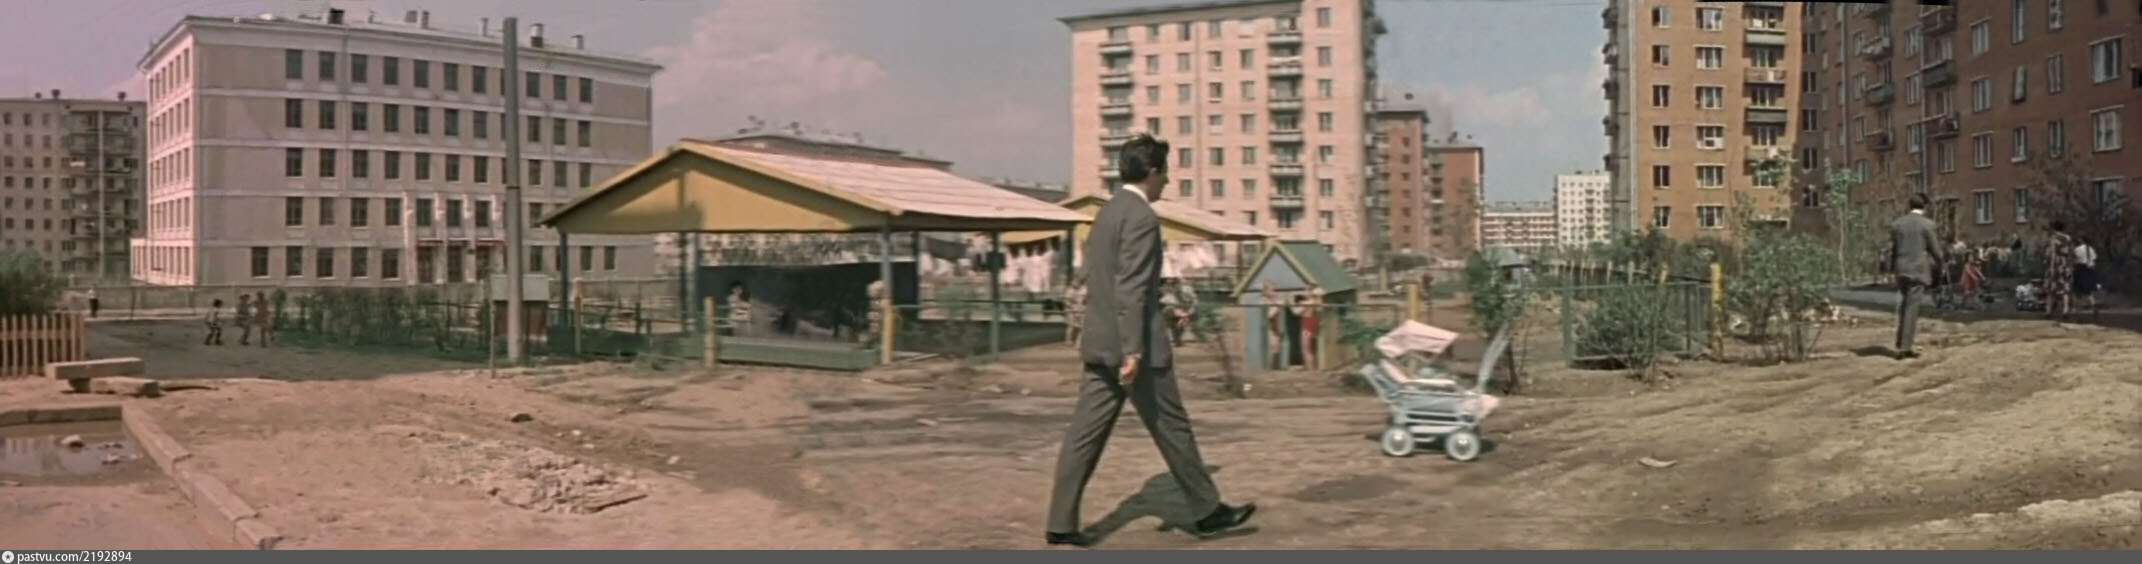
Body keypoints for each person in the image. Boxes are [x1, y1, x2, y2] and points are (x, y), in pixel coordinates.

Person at [1045, 133, 1254, 548]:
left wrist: (1149, 318)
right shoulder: (1141, 218)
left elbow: (1111, 283)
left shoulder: (1106, 214)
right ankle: (1207, 512)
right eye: (1165, 173)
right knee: (1173, 429)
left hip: (1100, 343)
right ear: (1153, 172)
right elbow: (1131, 288)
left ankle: (1060, 522)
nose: (1168, 181)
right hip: (1135, 348)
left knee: (1084, 435)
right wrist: (1133, 350)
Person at [1887, 193, 1945, 360]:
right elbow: (1935, 251)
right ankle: (1905, 347)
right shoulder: (1927, 225)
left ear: (1909, 206)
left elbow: (1893, 250)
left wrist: (1891, 270)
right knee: (1911, 307)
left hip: (1901, 269)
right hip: (1917, 270)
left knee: (1904, 305)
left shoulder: (1897, 224)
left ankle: (1901, 343)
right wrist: (1941, 265)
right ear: (1924, 206)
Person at [2043, 221, 2077, 318]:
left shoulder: (2053, 238)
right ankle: (2065, 310)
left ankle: (2048, 311)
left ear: (2054, 228)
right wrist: (2071, 266)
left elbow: (2052, 253)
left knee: (2051, 288)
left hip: (2056, 264)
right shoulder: (2068, 238)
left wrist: (2051, 266)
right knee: (2065, 288)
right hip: (2065, 265)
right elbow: (2072, 253)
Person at [1297, 285, 1323, 371]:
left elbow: (1296, 312)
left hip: (1307, 323)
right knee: (1308, 348)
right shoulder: (1313, 301)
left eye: (1306, 291)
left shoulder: (1307, 302)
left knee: (1305, 348)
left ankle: (1310, 369)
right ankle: (1311, 367)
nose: (1304, 293)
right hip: (1310, 322)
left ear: (1310, 292)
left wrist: (1291, 303)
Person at [1260, 281, 1284, 369]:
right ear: (1266, 291)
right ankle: (1267, 368)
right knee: (1271, 347)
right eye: (1272, 290)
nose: (1274, 292)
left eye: (1274, 290)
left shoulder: (1274, 300)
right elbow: (1268, 315)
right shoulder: (1263, 300)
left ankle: (1270, 367)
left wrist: (1278, 304)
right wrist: (1277, 307)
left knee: (1276, 347)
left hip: (1274, 326)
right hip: (1268, 327)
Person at [2073, 235, 2099, 315]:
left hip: (2080, 268)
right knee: (2088, 289)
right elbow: (2094, 259)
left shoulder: (2077, 249)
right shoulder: (2091, 249)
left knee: (2078, 289)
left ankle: (2078, 308)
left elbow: (2074, 258)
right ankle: (2093, 303)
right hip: (2089, 269)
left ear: (2082, 240)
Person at [1064, 278, 1088, 346]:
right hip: (1072, 310)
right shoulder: (1070, 290)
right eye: (1074, 282)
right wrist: (1071, 306)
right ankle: (1068, 341)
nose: (1075, 284)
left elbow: (1085, 300)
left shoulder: (1084, 289)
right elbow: (1066, 301)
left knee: (1081, 327)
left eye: (1076, 282)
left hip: (1081, 310)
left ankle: (1078, 342)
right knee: (1071, 326)